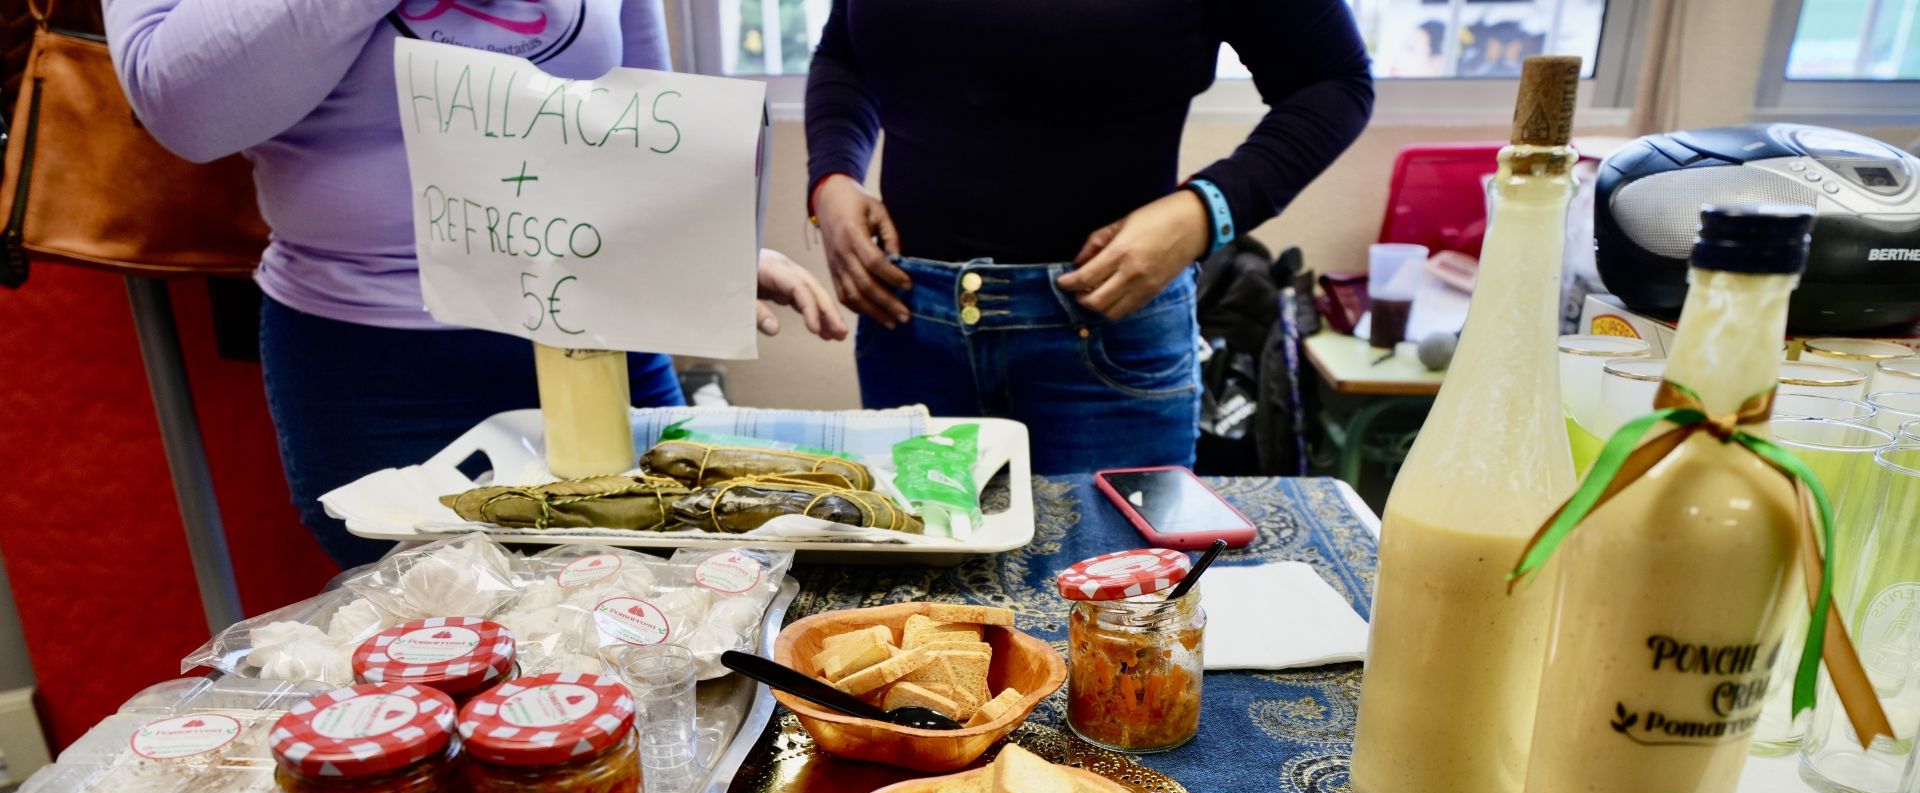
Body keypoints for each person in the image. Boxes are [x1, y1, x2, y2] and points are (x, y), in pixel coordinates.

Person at [104, 0, 846, 567]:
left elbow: (637, 101)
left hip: (596, 332)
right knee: (439, 663)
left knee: (661, 636)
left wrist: (701, 244)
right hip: (375, 370)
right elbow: (184, 110)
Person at [805, 0, 1373, 475]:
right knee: (922, 606)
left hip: (1107, 333)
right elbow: (845, 55)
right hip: (909, 327)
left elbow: (1333, 81)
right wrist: (831, 179)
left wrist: (1205, 211)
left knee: (1119, 606)